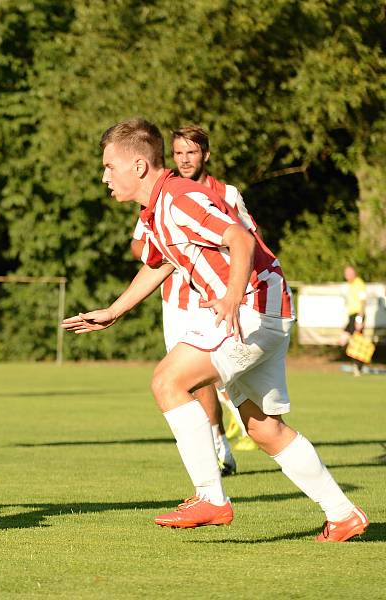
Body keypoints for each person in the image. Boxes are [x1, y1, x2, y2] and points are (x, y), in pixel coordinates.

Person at [62, 118, 368, 542]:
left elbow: (239, 239)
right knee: (264, 428)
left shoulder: (179, 198)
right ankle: (343, 515)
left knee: (167, 381)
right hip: (263, 309)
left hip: (251, 309)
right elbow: (161, 263)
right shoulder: (157, 209)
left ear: (137, 166)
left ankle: (211, 497)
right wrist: (115, 310)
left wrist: (230, 297)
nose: (104, 176)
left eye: (109, 166)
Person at [129, 125, 253, 473]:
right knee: (189, 380)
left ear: (206, 155)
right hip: (175, 300)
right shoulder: (159, 194)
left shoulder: (226, 193)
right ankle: (217, 445)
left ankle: (229, 438)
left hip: (216, 297)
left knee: (216, 378)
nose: (184, 159)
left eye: (191, 153)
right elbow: (140, 243)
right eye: (179, 153)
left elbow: (246, 239)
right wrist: (164, 255)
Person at [340, 265, 367, 376]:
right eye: (346, 273)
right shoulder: (350, 285)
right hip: (352, 316)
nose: (346, 275)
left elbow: (363, 302)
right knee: (345, 339)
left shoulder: (359, 284)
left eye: (349, 273)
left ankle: (358, 366)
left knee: (357, 342)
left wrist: (359, 319)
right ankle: (356, 365)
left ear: (354, 273)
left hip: (357, 316)